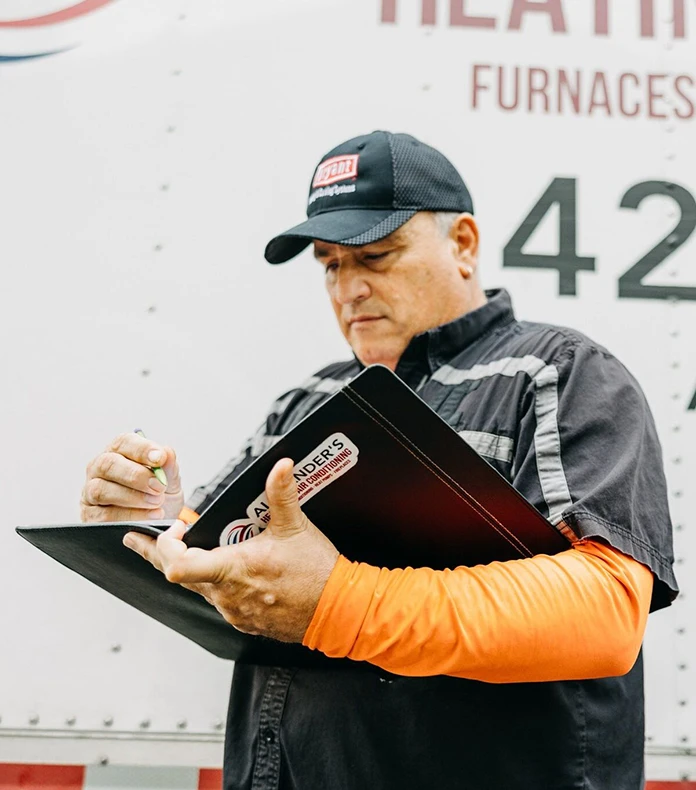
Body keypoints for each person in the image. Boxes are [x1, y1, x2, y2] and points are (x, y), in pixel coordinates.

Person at [81, 131, 678, 790]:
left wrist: (338, 603)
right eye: (331, 264)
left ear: (464, 244)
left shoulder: (559, 373)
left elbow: (605, 614)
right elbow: (213, 556)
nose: (349, 288)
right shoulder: (307, 399)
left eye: (376, 255)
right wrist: (153, 519)